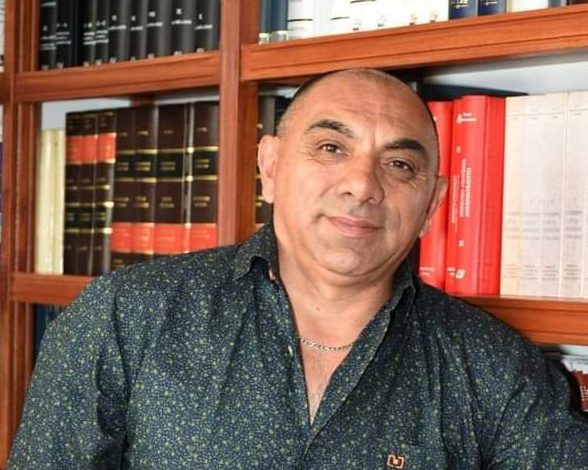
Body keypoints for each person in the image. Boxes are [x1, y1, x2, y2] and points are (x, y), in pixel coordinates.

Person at [8, 68, 588, 469]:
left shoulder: (495, 367)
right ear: (271, 165)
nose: (362, 185)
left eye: (399, 164)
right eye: (331, 148)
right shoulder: (125, 317)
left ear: (432, 204)